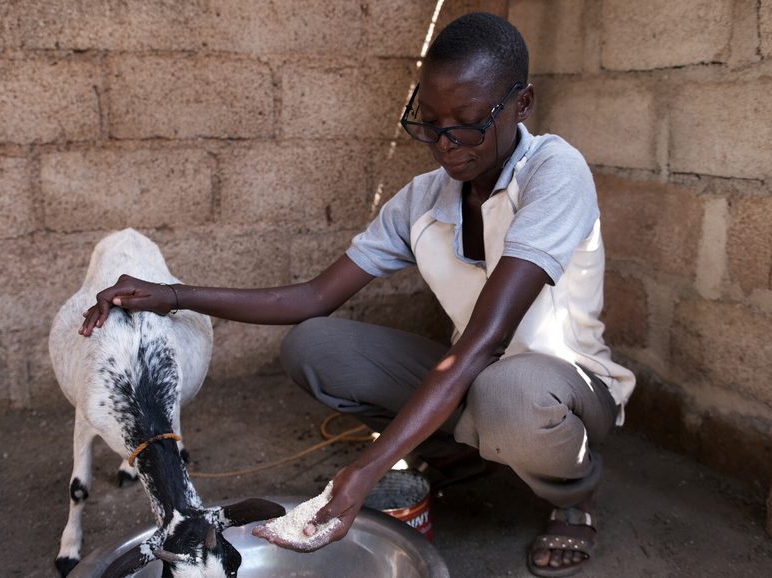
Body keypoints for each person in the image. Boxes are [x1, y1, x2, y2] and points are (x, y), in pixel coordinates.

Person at [79, 12, 634, 577]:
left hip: (564, 383)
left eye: (466, 124)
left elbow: (482, 345)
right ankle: (465, 451)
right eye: (431, 122)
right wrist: (172, 296)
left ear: (522, 104)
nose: (445, 145)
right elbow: (314, 297)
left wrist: (367, 469)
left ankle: (574, 497)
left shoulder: (554, 173)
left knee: (508, 394)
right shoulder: (423, 199)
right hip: (478, 374)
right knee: (315, 347)